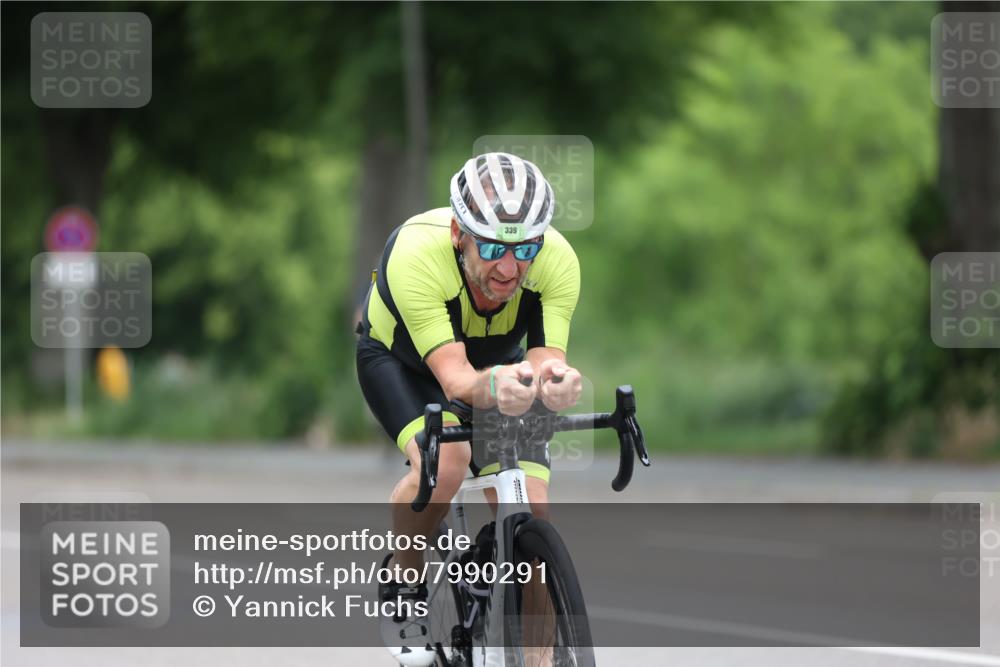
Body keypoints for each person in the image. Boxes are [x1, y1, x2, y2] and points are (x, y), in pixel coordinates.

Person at [356, 152, 583, 666]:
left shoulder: (556, 259)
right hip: (404, 364)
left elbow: (546, 358)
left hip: (494, 364)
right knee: (448, 466)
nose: (510, 268)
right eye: (494, 248)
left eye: (525, 248)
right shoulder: (417, 254)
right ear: (459, 232)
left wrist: (558, 381)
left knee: (534, 508)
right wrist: (505, 383)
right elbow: (457, 381)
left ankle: (537, 659)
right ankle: (405, 578)